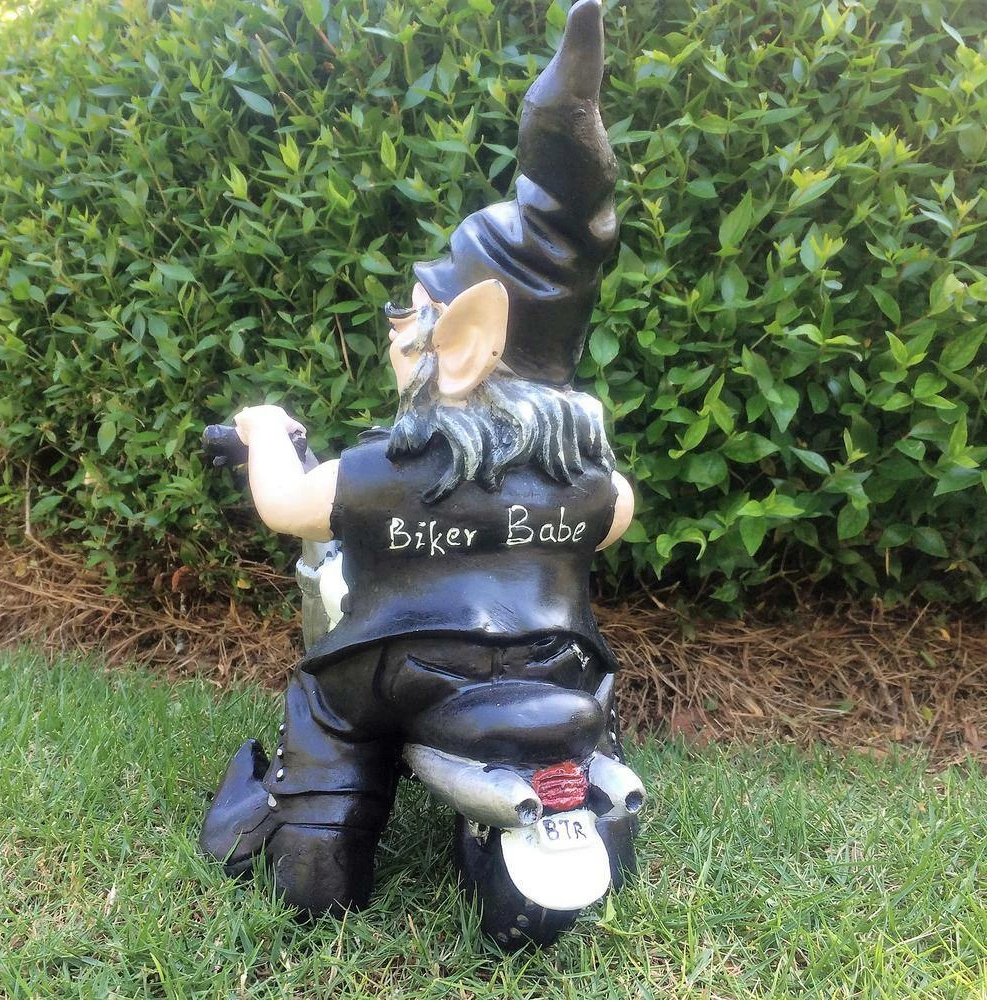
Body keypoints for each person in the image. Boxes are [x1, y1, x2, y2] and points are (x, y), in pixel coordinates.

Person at [200, 0, 635, 916]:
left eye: (410, 320)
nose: (397, 336)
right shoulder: (593, 480)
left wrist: (266, 432)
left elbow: (284, 506)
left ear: (465, 346)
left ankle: (316, 846)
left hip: (405, 671)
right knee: (591, 711)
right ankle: (598, 811)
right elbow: (612, 517)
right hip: (557, 662)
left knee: (329, 708)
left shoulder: (384, 470)